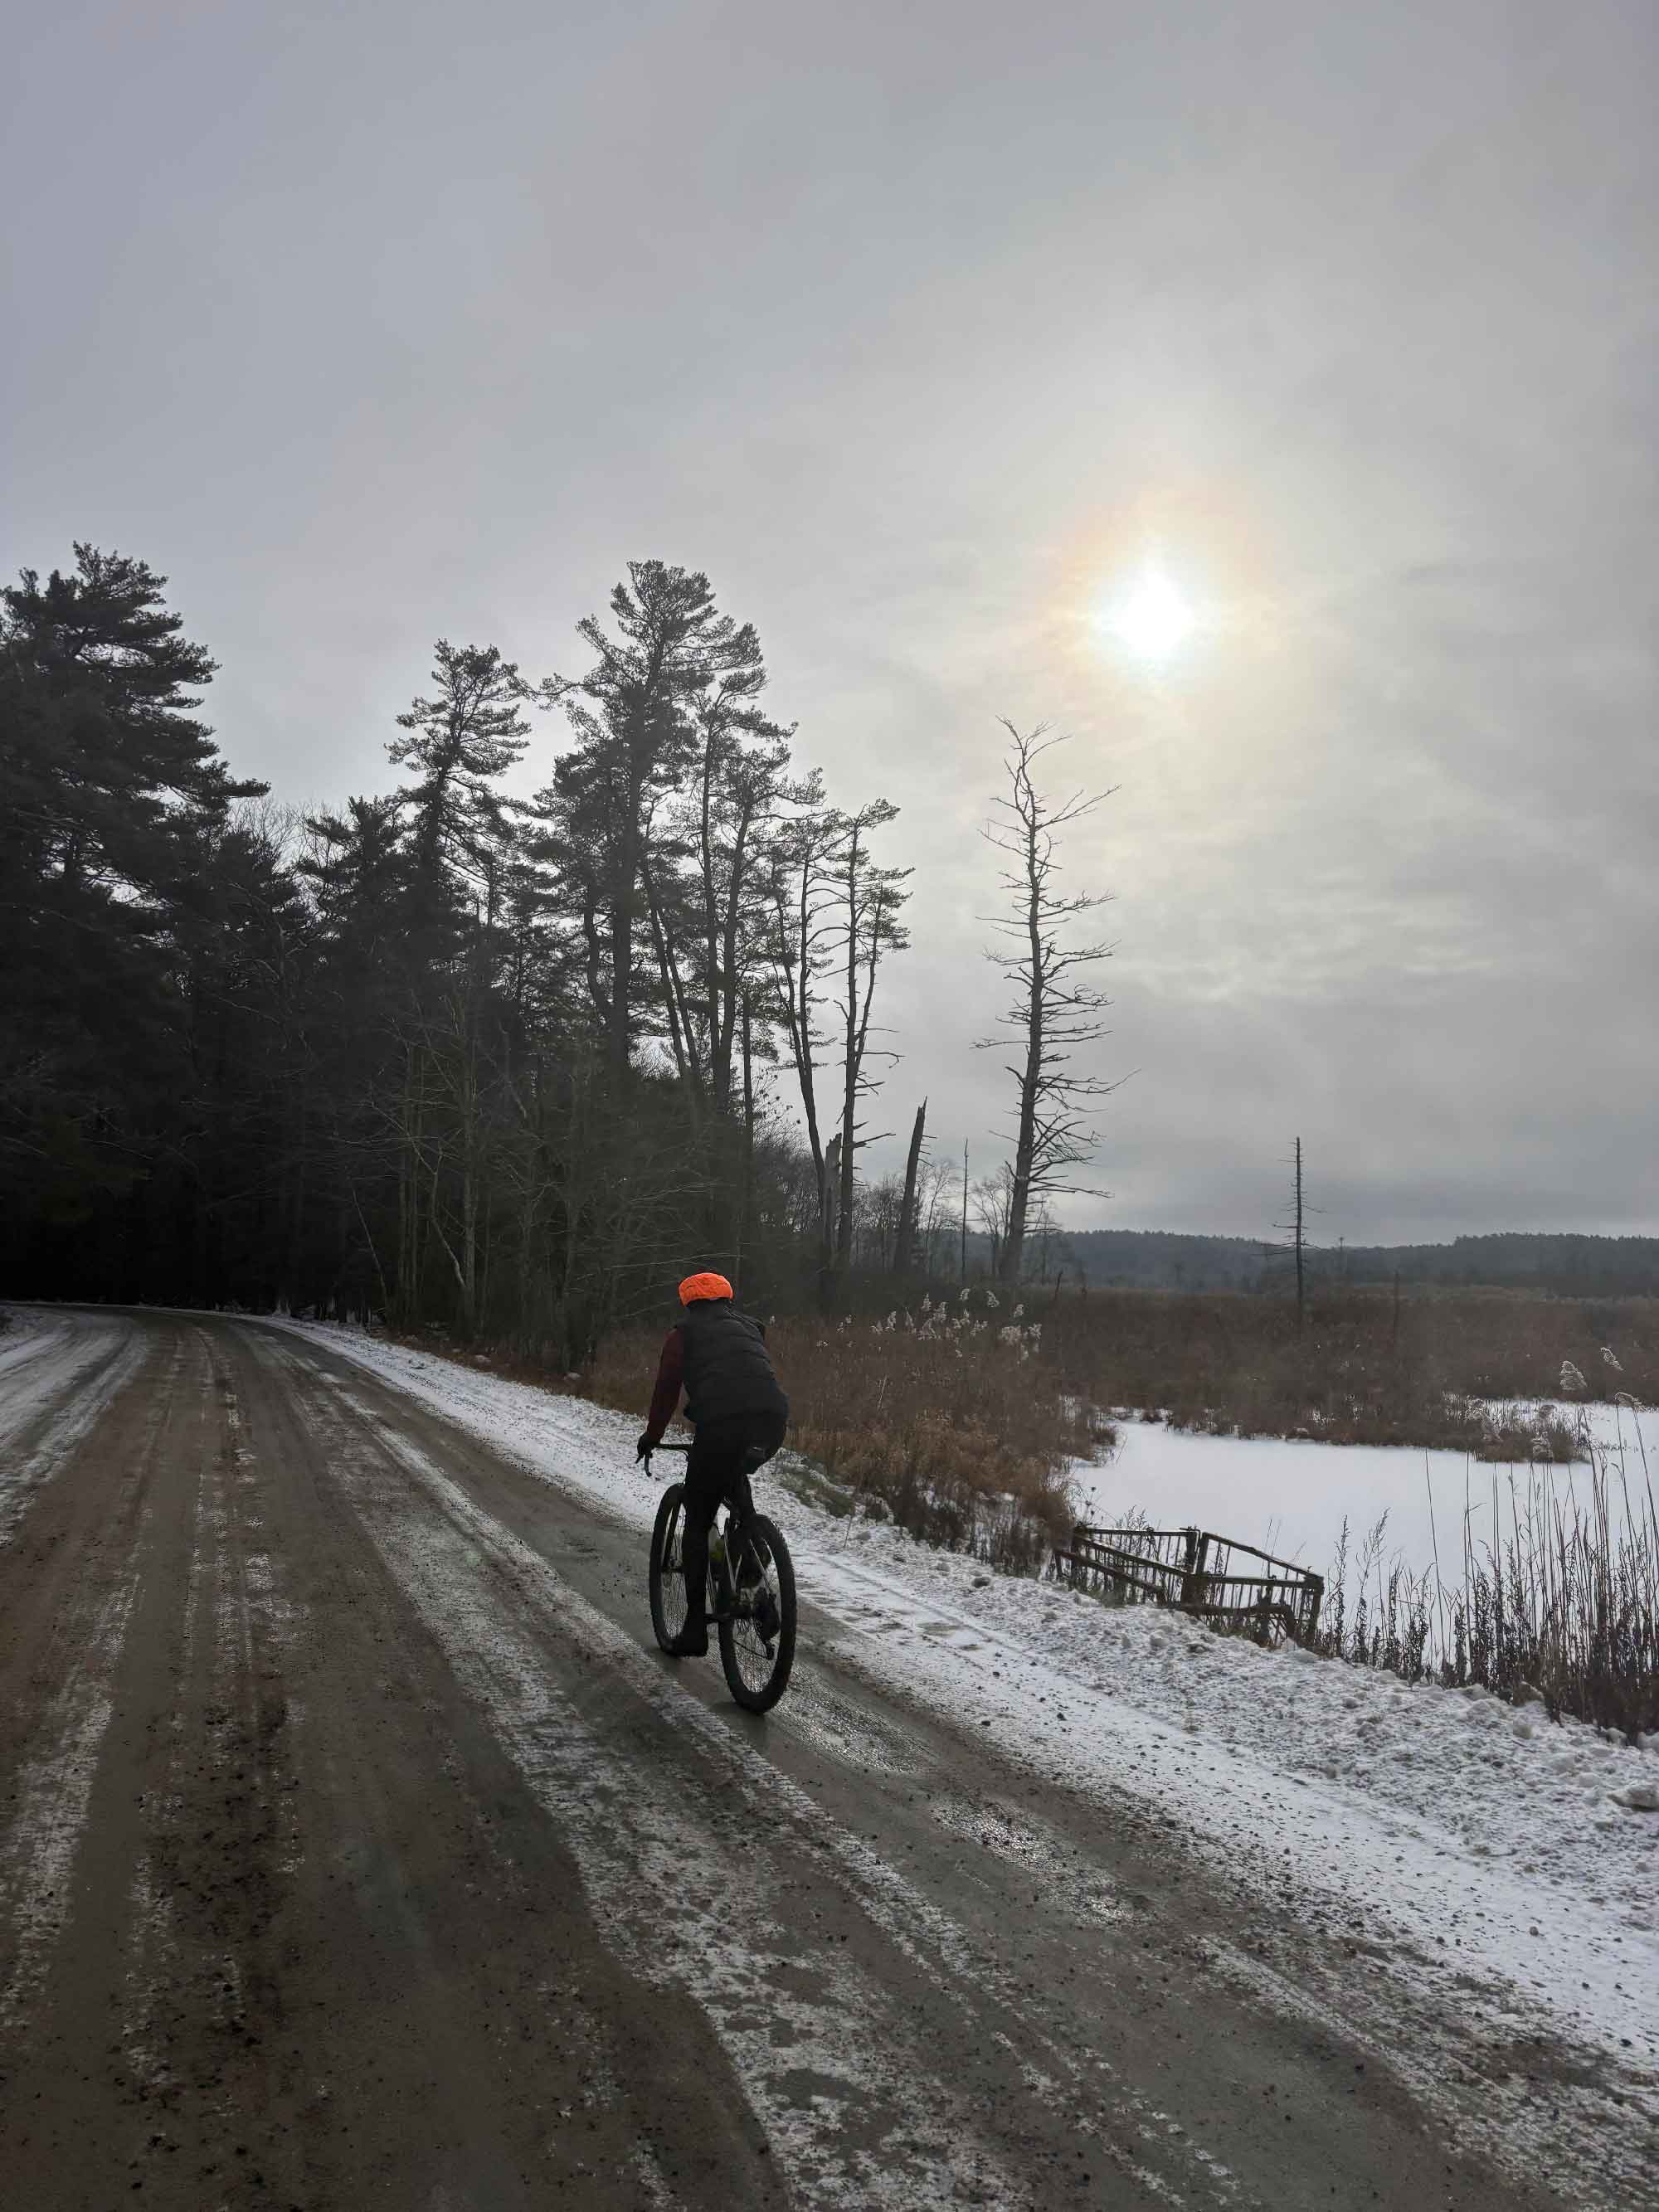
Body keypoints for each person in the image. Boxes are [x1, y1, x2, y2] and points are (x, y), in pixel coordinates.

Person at [638, 1271, 789, 1657]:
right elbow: (748, 1376)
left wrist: (652, 1437)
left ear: (688, 1302)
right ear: (727, 1299)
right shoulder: (751, 1327)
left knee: (698, 1517)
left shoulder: (682, 1334)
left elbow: (667, 1392)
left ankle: (693, 1629)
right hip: (771, 1424)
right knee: (737, 1487)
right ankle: (753, 1575)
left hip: (721, 1427)